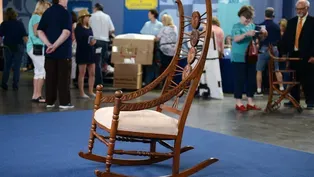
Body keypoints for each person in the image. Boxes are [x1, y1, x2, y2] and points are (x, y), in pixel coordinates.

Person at [37, 0, 74, 109]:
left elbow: (40, 31)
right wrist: (55, 45)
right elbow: (66, 32)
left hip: (49, 52)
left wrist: (49, 44)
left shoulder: (47, 12)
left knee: (50, 77)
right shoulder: (65, 13)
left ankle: (50, 101)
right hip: (63, 52)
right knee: (63, 78)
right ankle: (64, 102)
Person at [230, 5, 267, 112]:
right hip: (238, 57)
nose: (248, 21)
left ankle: (250, 101)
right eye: (246, 18)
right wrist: (246, 34)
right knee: (239, 80)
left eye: (250, 19)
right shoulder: (236, 26)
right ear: (241, 16)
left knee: (251, 80)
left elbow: (258, 37)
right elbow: (236, 39)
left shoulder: (252, 26)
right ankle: (239, 102)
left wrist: (263, 34)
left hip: (251, 56)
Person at [280, 0, 314, 109]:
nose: (299, 11)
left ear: (307, 8)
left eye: (301, 9)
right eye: (297, 9)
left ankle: (310, 101)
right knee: (294, 79)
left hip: (308, 55)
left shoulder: (312, 22)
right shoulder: (292, 22)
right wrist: (284, 53)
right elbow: (285, 39)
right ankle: (294, 100)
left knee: (308, 79)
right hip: (293, 54)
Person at [255, 7, 284, 96]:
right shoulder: (277, 27)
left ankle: (259, 90)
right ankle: (281, 88)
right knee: (277, 69)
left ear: (265, 15)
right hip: (274, 49)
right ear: (273, 15)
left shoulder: (260, 26)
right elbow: (279, 40)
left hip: (263, 49)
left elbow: (257, 39)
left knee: (259, 70)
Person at [27, 0, 51, 103]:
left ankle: (35, 95)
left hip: (33, 47)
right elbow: (37, 33)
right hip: (36, 47)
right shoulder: (37, 17)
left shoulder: (35, 17)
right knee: (42, 72)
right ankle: (38, 95)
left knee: (38, 72)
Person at [0, 8, 28, 91]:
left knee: (7, 66)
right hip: (18, 46)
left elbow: (0, 36)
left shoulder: (4, 24)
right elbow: (24, 36)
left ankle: (4, 83)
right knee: (17, 67)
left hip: (7, 47)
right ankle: (15, 84)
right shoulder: (20, 24)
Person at [75, 9, 96, 98]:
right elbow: (79, 40)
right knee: (82, 73)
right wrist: (88, 42)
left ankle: (91, 91)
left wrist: (93, 42)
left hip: (90, 51)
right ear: (82, 18)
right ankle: (82, 92)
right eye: (87, 17)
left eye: (88, 17)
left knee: (92, 73)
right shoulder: (78, 28)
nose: (88, 18)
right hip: (82, 52)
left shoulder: (90, 28)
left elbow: (91, 37)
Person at [89, 3, 115, 75]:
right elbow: (112, 29)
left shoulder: (91, 16)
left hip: (94, 42)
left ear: (95, 8)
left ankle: (97, 80)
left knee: (95, 62)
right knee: (102, 61)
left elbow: (87, 28)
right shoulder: (107, 17)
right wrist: (106, 34)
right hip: (104, 42)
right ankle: (100, 79)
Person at [140, 9, 163, 85]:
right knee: (146, 64)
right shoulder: (146, 24)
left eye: (149, 14)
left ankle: (155, 82)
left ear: (153, 15)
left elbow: (160, 36)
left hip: (155, 46)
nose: (148, 15)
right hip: (146, 46)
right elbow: (142, 34)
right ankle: (146, 82)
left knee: (155, 65)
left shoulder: (160, 25)